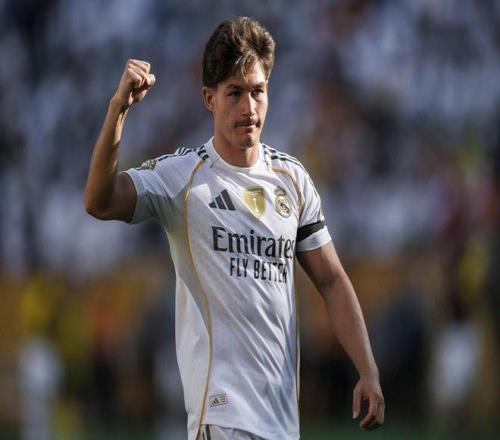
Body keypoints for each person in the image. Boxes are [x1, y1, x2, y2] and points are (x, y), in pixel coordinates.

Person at [84, 16, 384, 440]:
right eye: (235, 93)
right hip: (222, 415)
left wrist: (368, 370)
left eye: (258, 91)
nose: (249, 108)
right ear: (210, 98)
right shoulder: (182, 178)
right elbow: (99, 201)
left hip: (281, 419)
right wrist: (118, 110)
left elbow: (332, 280)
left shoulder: (292, 180)